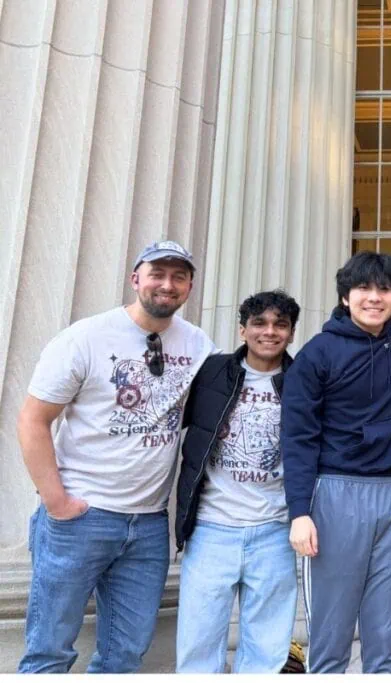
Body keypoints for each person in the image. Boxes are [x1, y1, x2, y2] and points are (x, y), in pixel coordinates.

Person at [17, 241, 216, 673]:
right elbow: (33, 420)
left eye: (179, 276)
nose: (167, 284)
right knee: (49, 650)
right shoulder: (85, 337)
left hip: (147, 525)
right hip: (81, 517)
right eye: (157, 274)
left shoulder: (199, 344)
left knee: (124, 656)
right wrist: (57, 503)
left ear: (189, 286)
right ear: (136, 279)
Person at [281, 252, 391, 673]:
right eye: (364, 289)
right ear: (345, 297)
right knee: (332, 629)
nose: (374, 298)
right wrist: (299, 513)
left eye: (384, 289)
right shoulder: (317, 354)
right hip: (336, 492)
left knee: (385, 629)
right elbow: (298, 438)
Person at [174, 289, 301, 673]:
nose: (270, 332)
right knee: (198, 646)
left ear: (291, 333)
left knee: (266, 649)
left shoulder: (304, 380)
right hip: (213, 527)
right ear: (242, 329)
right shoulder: (211, 371)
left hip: (275, 529)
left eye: (280, 324)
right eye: (259, 323)